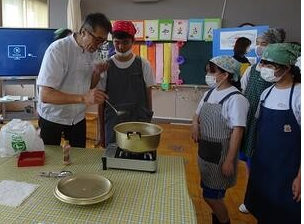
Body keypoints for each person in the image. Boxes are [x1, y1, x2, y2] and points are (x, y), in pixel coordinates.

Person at [244, 43, 301, 223]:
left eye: (270, 65)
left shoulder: (298, 95)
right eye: (264, 64)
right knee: (262, 210)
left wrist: (300, 176)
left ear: (287, 68)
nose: (264, 69)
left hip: (287, 171)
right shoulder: (266, 93)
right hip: (263, 166)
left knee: (283, 215)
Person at [37, 13, 112, 148]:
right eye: (97, 39)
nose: (99, 45)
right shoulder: (58, 50)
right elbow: (45, 95)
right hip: (53, 117)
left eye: (103, 41)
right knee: (49, 160)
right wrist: (83, 98)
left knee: (78, 159)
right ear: (84, 32)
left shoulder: (92, 52)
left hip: (77, 117)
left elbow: (89, 85)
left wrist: (97, 72)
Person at [192, 56, 249, 224]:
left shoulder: (236, 99)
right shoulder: (210, 93)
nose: (209, 75)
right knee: (209, 191)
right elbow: (196, 114)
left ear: (225, 75)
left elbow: (238, 131)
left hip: (221, 156)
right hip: (205, 152)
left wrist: (230, 161)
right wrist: (195, 124)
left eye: (212, 72)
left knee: (212, 196)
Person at [238, 28, 286, 213]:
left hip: (268, 122)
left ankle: (267, 200)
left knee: (266, 163)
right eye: (257, 43)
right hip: (250, 121)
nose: (258, 47)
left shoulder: (278, 73)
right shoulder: (252, 69)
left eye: (263, 44)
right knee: (250, 162)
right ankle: (253, 198)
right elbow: (244, 90)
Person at [98, 20, 156, 147]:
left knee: (137, 154)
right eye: (116, 42)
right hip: (113, 122)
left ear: (133, 41)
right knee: (113, 156)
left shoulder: (143, 64)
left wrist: (148, 121)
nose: (121, 47)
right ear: (112, 41)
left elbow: (148, 96)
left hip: (138, 120)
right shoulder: (106, 66)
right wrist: (101, 132)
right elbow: (101, 102)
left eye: (125, 42)